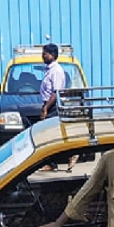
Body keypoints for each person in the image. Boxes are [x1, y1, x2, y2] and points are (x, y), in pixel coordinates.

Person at [39, 43, 78, 171]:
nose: (43, 56)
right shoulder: (49, 69)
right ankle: (56, 162)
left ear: (53, 55)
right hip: (48, 104)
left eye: (45, 53)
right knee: (53, 135)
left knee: (51, 135)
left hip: (53, 106)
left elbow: (56, 93)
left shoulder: (56, 71)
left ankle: (67, 156)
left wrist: (46, 108)